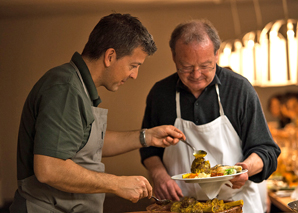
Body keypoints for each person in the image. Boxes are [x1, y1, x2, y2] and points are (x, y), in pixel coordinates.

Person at [9, 13, 186, 213]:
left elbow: (89, 145)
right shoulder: (66, 88)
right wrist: (117, 184)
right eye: (133, 65)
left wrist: (147, 137)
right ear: (110, 56)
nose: (134, 75)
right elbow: (49, 168)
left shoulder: (79, 87)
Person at [139, 19, 280, 212]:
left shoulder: (239, 90)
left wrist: (244, 168)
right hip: (181, 205)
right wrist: (159, 175)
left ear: (217, 55)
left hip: (237, 204)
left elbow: (267, 150)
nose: (196, 74)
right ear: (174, 56)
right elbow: (149, 150)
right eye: (186, 67)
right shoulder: (160, 94)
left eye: (205, 66)